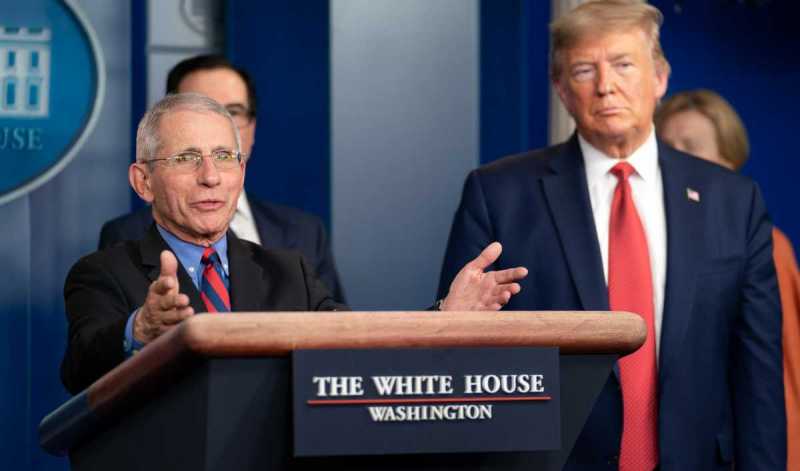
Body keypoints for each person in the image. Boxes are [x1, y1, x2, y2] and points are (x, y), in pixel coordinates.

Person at [438, 1, 785, 469]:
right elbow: (453, 357)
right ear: (561, 89)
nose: (606, 86)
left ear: (659, 78)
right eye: (584, 70)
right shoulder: (498, 194)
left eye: (623, 65)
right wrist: (445, 319)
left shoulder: (733, 202)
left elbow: (759, 377)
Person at [61, 93, 528, 395]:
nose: (211, 176)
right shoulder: (102, 273)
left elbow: (361, 346)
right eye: (187, 158)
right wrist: (140, 330)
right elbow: (79, 369)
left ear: (242, 171)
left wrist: (444, 317)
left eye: (224, 156)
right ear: (143, 181)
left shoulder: (289, 272)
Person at [98, 55, 348, 303]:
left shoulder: (304, 234)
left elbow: (337, 326)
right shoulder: (124, 238)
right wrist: (141, 325)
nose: (216, 123)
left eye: (233, 112)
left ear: (252, 127)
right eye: (200, 108)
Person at [656, 88, 799, 470]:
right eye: (667, 148)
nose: (676, 160)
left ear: (729, 160)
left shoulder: (766, 245)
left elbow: (781, 372)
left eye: (692, 147)